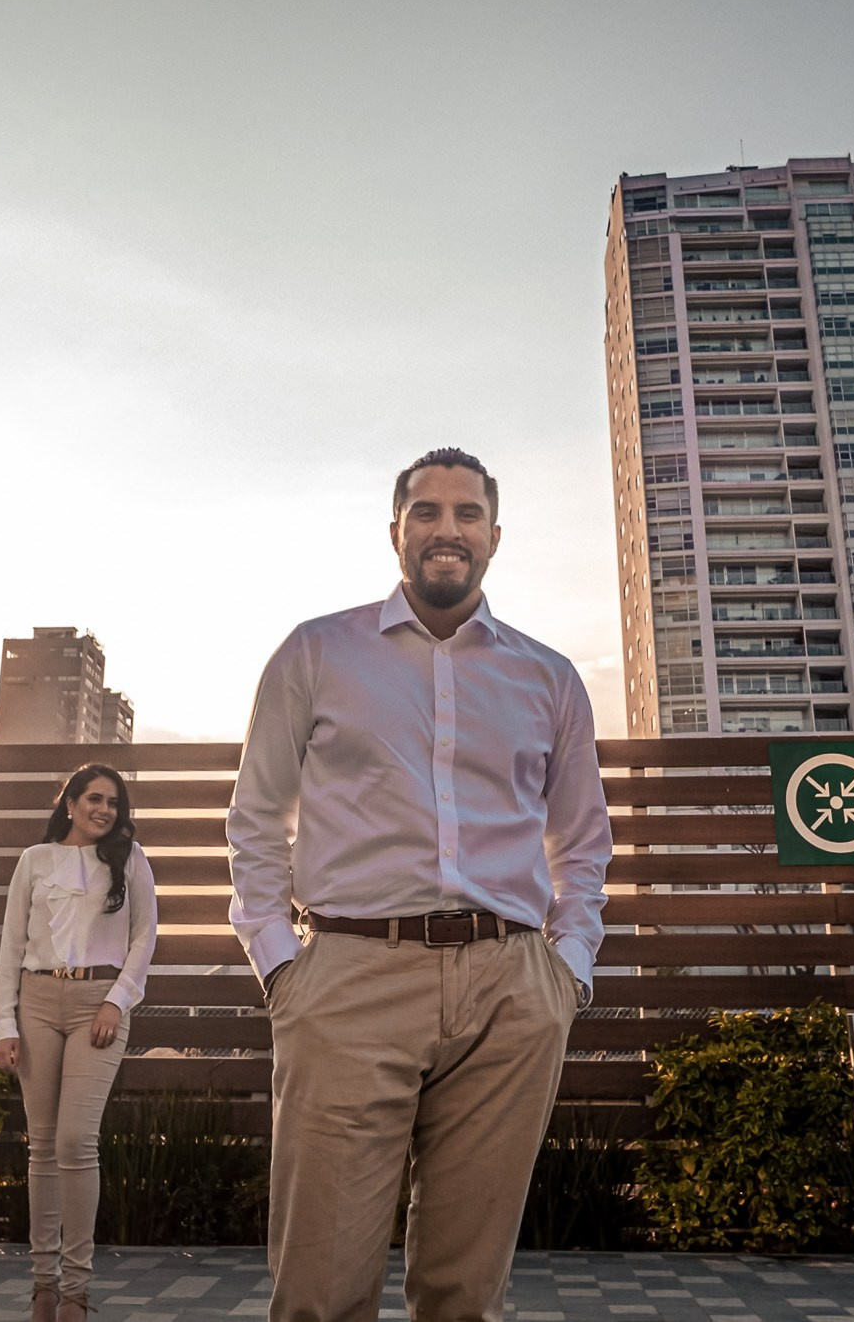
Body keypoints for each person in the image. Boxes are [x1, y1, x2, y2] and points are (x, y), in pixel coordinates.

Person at [228, 447, 612, 1322]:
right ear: (396, 532)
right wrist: (284, 967)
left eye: (466, 513)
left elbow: (582, 840)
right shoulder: (315, 652)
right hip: (350, 979)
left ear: (495, 535)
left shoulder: (549, 677)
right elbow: (255, 819)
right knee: (320, 1290)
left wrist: (568, 968)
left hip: (512, 990)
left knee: (466, 1296)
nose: (448, 530)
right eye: (428, 513)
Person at [0, 763, 158, 1322]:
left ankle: (76, 1293)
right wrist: (4, 1026)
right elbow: (10, 948)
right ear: (70, 802)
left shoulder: (130, 859)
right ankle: (43, 1286)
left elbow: (144, 936)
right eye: (94, 798)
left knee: (74, 1141)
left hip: (99, 1007)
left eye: (114, 802)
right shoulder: (33, 861)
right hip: (37, 1003)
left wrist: (118, 999)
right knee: (41, 1147)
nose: (104, 809)